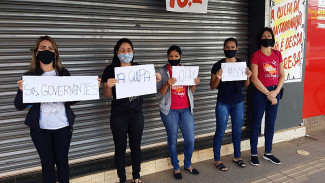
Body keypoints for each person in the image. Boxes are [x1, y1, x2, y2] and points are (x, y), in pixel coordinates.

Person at [14, 36, 82, 183]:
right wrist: (22, 90)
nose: (47, 51)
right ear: (36, 53)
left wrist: (87, 89)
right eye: (43, 48)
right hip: (40, 131)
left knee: (63, 163)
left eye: (50, 48)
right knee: (47, 165)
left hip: (63, 127)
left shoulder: (63, 73)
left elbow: (73, 100)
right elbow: (19, 105)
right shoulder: (29, 77)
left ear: (56, 53)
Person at [101, 38, 161, 183]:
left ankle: (136, 175)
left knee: (136, 146)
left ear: (133, 52)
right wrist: (107, 86)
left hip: (136, 114)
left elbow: (149, 88)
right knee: (120, 148)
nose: (126, 53)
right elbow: (107, 95)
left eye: (129, 50)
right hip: (118, 115)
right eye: (122, 50)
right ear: (116, 53)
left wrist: (155, 80)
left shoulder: (139, 69)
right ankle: (122, 178)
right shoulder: (110, 70)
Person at [156, 45, 200, 180]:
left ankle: (187, 164)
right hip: (170, 111)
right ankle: (176, 167)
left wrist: (194, 84)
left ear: (180, 57)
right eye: (170, 56)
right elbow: (158, 94)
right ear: (167, 57)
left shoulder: (186, 71)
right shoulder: (162, 72)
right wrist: (167, 84)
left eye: (176, 56)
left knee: (190, 139)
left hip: (186, 109)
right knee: (172, 139)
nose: (173, 59)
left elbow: (190, 91)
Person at [210, 38, 252, 171]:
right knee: (220, 132)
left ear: (237, 49)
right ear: (223, 49)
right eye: (227, 47)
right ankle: (217, 160)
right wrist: (217, 78)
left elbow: (245, 85)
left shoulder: (241, 65)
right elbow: (212, 86)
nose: (230, 50)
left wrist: (248, 76)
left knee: (237, 131)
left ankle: (237, 157)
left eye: (232, 47)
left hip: (238, 102)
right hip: (223, 103)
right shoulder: (217, 65)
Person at [249, 27, 285, 166]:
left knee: (271, 123)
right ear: (259, 39)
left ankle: (268, 153)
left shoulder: (277, 54)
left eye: (269, 36)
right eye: (263, 36)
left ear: (273, 38)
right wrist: (268, 94)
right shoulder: (256, 55)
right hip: (260, 92)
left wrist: (275, 93)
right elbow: (254, 79)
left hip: (274, 92)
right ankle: (253, 153)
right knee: (256, 123)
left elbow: (282, 75)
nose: (266, 38)